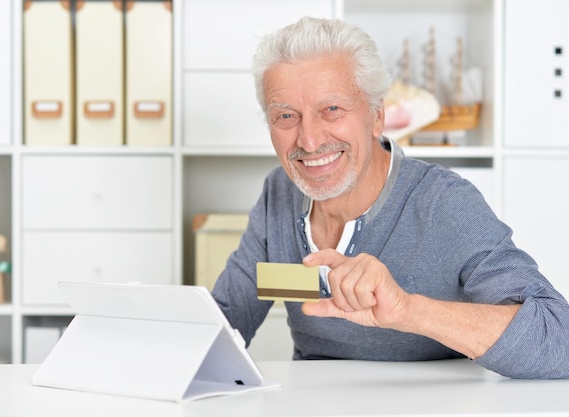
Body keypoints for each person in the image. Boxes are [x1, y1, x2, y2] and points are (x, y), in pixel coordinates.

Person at [211, 16, 569, 379]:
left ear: (376, 116)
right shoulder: (279, 195)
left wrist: (408, 310)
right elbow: (223, 322)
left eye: (331, 109)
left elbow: (559, 340)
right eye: (286, 116)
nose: (310, 141)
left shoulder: (443, 203)